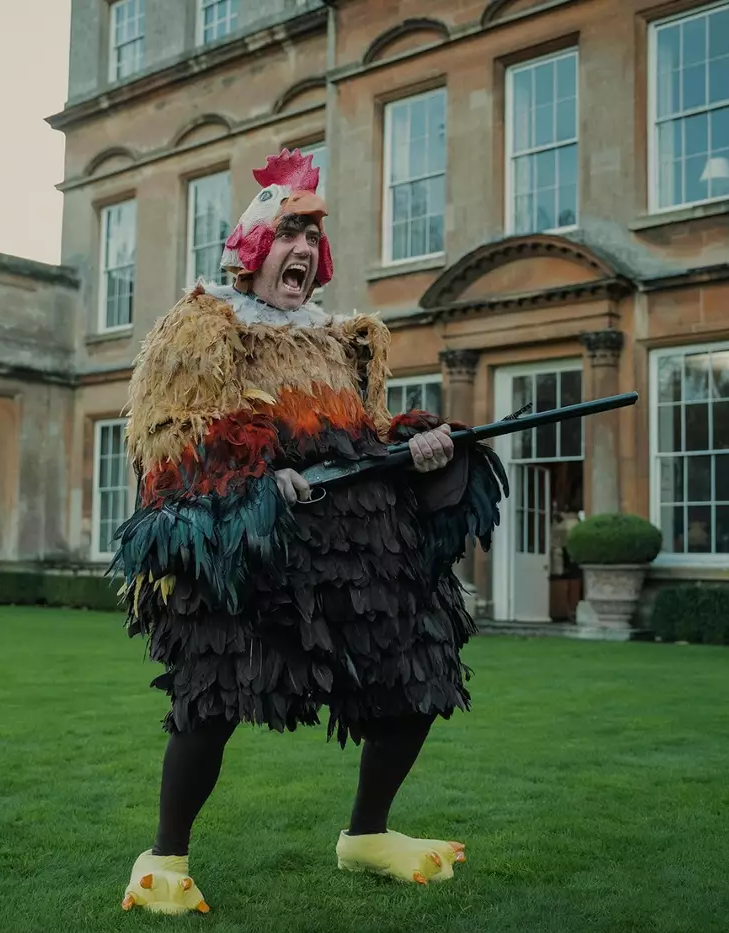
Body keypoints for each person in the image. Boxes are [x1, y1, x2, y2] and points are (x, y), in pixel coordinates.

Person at [109, 149, 507, 915]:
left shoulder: (345, 338)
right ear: (255, 248)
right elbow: (173, 438)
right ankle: (162, 858)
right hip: (258, 550)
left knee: (419, 668)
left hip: (356, 552)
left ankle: (366, 833)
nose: (303, 249)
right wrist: (254, 475)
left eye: (312, 237)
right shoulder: (206, 326)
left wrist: (419, 447)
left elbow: (365, 436)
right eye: (289, 231)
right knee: (214, 694)